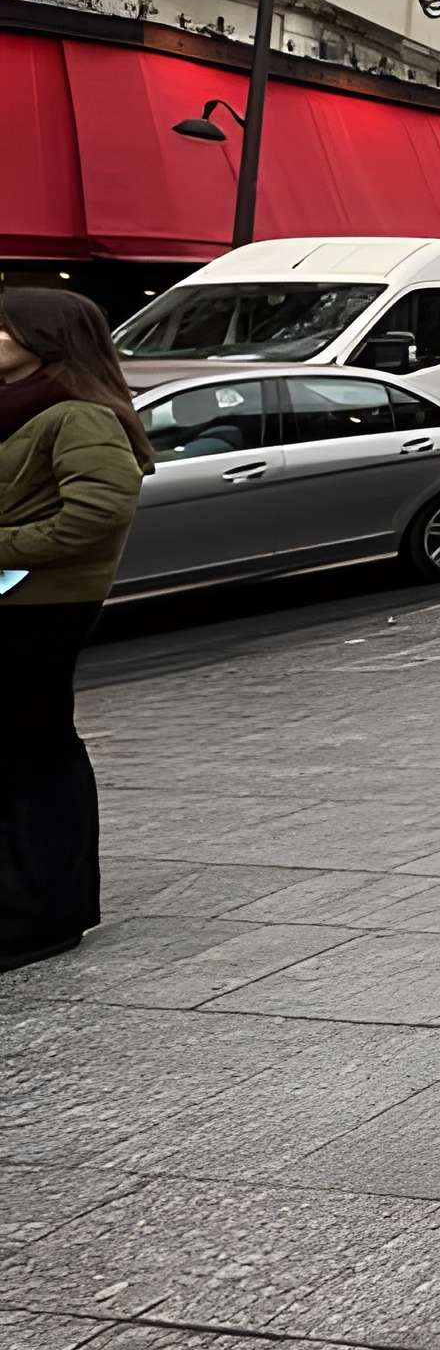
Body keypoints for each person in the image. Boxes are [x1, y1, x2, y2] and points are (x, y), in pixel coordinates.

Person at [0, 288, 154, 969]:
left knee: (33, 753)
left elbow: (94, 516)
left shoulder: (81, 416)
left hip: (42, 608)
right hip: (13, 604)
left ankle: (45, 916)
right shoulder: (19, 410)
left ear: (43, 337)